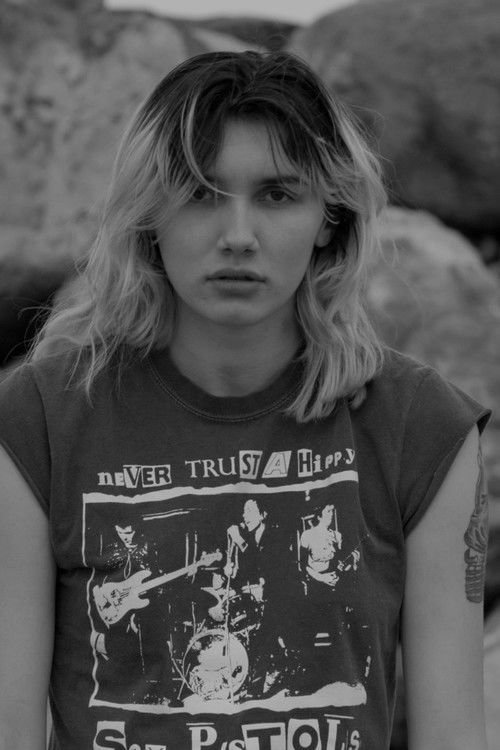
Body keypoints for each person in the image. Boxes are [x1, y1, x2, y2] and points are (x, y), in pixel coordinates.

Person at [0, 50, 491, 750]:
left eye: (277, 195)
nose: (237, 237)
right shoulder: (36, 422)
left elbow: (454, 735)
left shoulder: (422, 427)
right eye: (200, 193)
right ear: (149, 214)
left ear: (331, 217)